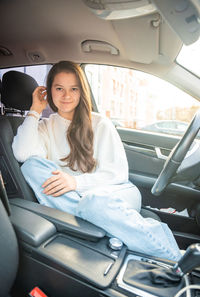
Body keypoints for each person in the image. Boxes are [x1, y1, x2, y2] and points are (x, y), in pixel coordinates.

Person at [12, 61, 181, 261]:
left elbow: (117, 174)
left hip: (113, 191)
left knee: (94, 203)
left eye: (73, 89)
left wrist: (76, 182)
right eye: (59, 88)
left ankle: (176, 257)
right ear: (49, 91)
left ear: (81, 91)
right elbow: (22, 154)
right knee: (31, 166)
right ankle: (105, 223)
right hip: (74, 199)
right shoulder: (45, 126)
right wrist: (34, 111)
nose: (66, 96)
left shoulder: (100, 123)